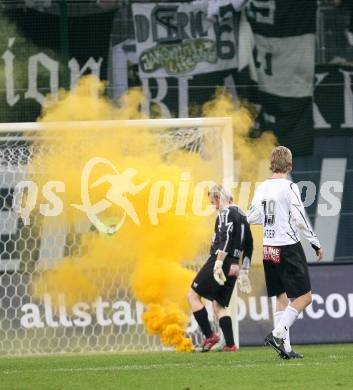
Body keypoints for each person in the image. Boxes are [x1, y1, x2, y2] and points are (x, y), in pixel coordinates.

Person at [247, 146, 324, 359]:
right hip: (287, 247)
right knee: (305, 297)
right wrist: (315, 243)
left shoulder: (262, 187)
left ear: (272, 163)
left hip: (269, 248)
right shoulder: (289, 187)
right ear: (289, 164)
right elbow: (300, 219)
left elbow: (251, 216)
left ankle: (285, 349)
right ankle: (278, 334)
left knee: (281, 297)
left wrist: (272, 218)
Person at [187, 184, 253, 352]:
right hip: (234, 264)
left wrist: (218, 262)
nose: (214, 206)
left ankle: (209, 336)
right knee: (219, 306)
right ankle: (230, 345)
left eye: (213, 202)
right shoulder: (243, 216)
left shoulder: (226, 212)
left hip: (221, 260)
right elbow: (250, 245)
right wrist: (244, 270)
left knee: (192, 295)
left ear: (219, 198)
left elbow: (226, 237)